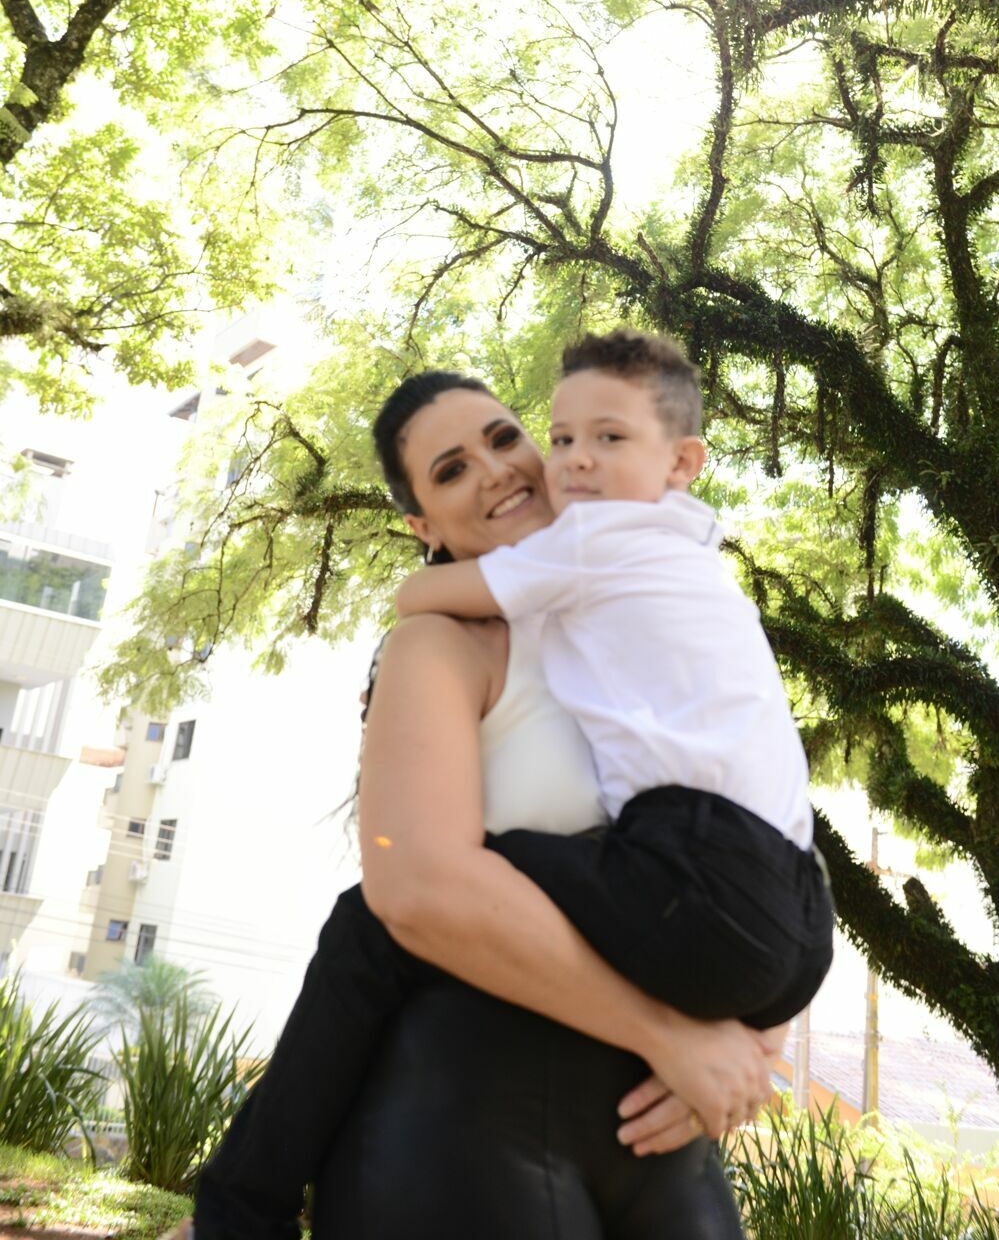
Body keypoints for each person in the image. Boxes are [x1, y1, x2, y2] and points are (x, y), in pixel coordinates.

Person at [193, 366, 784, 1240]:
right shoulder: (439, 642)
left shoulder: (665, 611)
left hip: (660, 1138)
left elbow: (771, 828)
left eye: (504, 439)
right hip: (470, 1115)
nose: (496, 469)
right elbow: (412, 888)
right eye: (451, 469)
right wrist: (670, 1035)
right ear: (422, 526)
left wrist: (751, 1047)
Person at [395, 328, 834, 1028]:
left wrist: (408, 645)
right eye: (562, 439)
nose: (575, 461)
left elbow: (413, 599)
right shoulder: (686, 544)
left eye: (608, 439)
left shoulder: (592, 541)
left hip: (698, 871)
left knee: (466, 874)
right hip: (801, 916)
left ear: (682, 460)